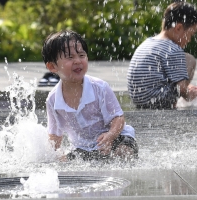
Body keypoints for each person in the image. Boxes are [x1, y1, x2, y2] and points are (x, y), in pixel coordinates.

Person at [42, 30, 138, 161]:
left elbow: (118, 118)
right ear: (52, 66)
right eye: (70, 57)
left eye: (81, 55)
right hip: (84, 148)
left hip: (116, 137)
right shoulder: (53, 100)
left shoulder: (100, 88)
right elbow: (54, 136)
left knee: (124, 152)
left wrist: (110, 135)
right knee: (66, 162)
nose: (77, 61)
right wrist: (52, 157)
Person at [127, 1, 197, 109]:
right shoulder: (173, 49)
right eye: (190, 34)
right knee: (190, 59)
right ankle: (176, 100)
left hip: (139, 100)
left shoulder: (147, 42)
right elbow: (181, 88)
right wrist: (190, 94)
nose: (189, 40)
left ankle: (181, 81)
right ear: (178, 28)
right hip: (160, 101)